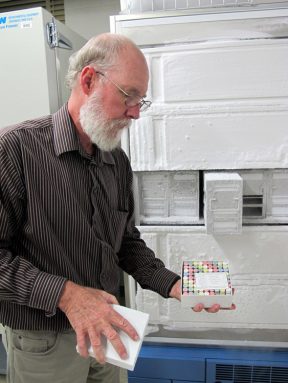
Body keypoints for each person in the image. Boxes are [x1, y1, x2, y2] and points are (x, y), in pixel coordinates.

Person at [0, 33, 224, 383]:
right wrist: (67, 295)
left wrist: (175, 284)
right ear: (88, 80)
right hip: (45, 342)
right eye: (129, 95)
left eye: (141, 101)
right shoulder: (15, 150)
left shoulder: (116, 161)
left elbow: (126, 242)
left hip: (108, 328)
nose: (136, 112)